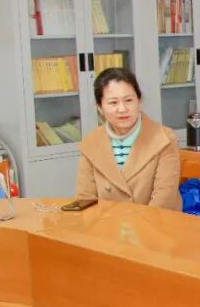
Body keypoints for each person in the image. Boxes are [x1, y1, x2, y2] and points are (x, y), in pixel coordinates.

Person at [75, 68, 181, 210]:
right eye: (113, 103)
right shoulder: (91, 143)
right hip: (106, 221)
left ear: (139, 101)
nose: (122, 109)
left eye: (128, 100)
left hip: (154, 221)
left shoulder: (164, 138)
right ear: (100, 107)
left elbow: (164, 199)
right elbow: (85, 200)